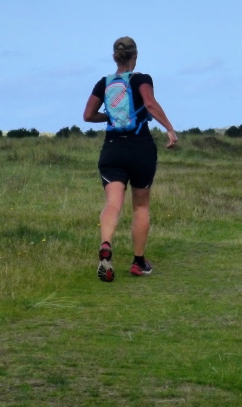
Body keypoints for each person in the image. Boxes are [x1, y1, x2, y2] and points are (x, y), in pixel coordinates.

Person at [82, 36, 178, 282]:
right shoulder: (141, 79)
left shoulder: (103, 83)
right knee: (140, 206)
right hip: (140, 149)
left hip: (112, 149)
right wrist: (169, 128)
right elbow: (150, 103)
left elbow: (88, 116)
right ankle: (138, 262)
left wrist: (111, 117)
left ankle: (106, 244)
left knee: (113, 204)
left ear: (114, 57)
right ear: (135, 55)